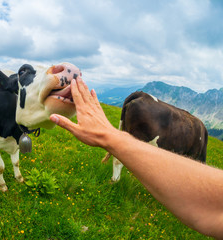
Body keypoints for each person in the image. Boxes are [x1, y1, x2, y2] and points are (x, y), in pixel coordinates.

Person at [49, 77, 223, 239]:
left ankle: (115, 178)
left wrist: (112, 137)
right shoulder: (199, 130)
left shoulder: (199, 126)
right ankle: (115, 178)